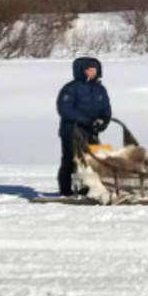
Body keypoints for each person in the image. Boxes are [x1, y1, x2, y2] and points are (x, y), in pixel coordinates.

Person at [56, 56, 112, 196]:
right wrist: (85, 120)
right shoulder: (71, 88)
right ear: (82, 71)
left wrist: (104, 120)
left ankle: (91, 188)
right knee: (71, 160)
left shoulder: (100, 89)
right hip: (71, 130)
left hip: (91, 131)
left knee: (94, 160)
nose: (92, 73)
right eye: (89, 70)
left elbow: (106, 107)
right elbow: (65, 109)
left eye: (94, 70)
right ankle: (66, 190)